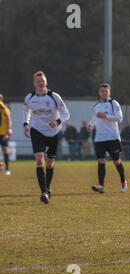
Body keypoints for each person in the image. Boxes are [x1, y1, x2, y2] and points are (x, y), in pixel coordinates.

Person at [23, 71, 70, 204]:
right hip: (37, 131)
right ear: (34, 84)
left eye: (43, 80)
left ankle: (47, 187)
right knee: (39, 160)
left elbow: (66, 114)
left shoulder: (54, 96)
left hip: (54, 133)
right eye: (38, 81)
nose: (40, 83)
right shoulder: (29, 98)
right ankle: (44, 192)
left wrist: (57, 122)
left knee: (49, 163)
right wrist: (25, 124)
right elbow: (26, 111)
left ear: (46, 82)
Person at [88, 83, 127, 194]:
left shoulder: (113, 103)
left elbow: (119, 118)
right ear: (99, 93)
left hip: (112, 137)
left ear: (109, 92)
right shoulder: (96, 106)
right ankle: (101, 185)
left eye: (106, 91)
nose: (104, 92)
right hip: (100, 138)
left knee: (116, 161)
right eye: (102, 91)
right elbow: (94, 118)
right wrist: (90, 124)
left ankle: (123, 181)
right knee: (101, 161)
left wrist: (106, 116)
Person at [0, 93, 12, 175]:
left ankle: (7, 169)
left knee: (5, 150)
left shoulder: (2, 107)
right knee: (5, 151)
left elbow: (7, 117)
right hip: (3, 132)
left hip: (3, 132)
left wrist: (8, 130)